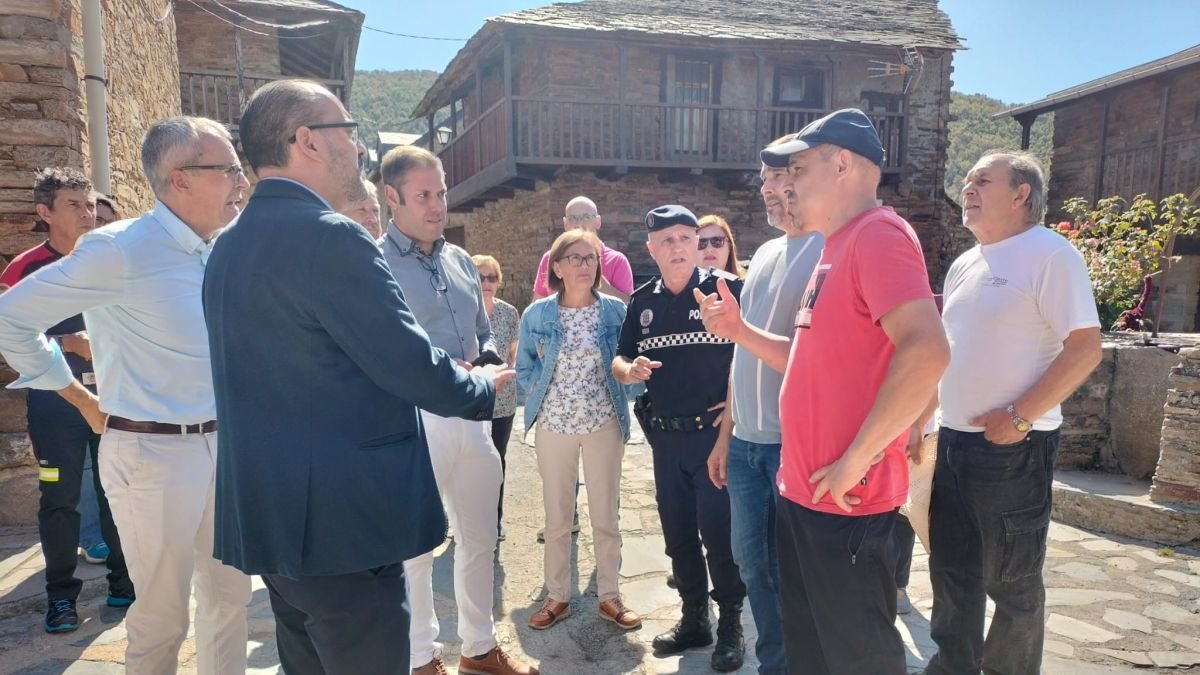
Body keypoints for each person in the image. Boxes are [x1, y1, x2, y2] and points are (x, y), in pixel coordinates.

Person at [204, 80, 512, 675]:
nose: (361, 151)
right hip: (343, 525)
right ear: (307, 142)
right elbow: (407, 363)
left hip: (274, 516)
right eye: (348, 133)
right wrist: (479, 389)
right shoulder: (332, 236)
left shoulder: (227, 246)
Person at [697, 109, 950, 673]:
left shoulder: (878, 235)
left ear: (842, 165)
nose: (788, 183)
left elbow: (928, 351)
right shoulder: (835, 245)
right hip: (806, 491)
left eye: (800, 168)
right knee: (813, 651)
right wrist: (738, 332)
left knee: (859, 656)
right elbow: (808, 363)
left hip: (847, 499)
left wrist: (856, 459)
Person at [0, 118, 254, 674]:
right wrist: (81, 400)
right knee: (163, 620)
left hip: (226, 451)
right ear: (181, 179)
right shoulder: (120, 249)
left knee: (229, 600)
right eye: (230, 169)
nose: (242, 181)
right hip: (152, 457)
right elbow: (10, 319)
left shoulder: (220, 249)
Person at [922, 151, 1102, 675]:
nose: (968, 187)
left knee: (1013, 583)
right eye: (968, 178)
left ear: (1022, 193)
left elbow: (1085, 348)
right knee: (952, 573)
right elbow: (952, 353)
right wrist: (924, 420)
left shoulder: (1050, 253)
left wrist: (1019, 418)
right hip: (953, 442)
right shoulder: (965, 262)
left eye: (983, 180)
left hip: (1012, 448)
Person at [378, 144, 538, 675]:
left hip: (473, 415)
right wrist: (461, 370)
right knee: (417, 549)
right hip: (413, 420)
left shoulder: (461, 260)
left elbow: (482, 331)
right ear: (392, 198)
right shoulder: (373, 264)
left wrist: (488, 362)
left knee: (479, 537)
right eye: (423, 195)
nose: (437, 204)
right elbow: (390, 348)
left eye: (440, 192)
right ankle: (420, 659)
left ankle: (478, 650)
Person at [697, 135, 825, 675]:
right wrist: (727, 434)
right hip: (747, 444)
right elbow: (741, 354)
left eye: (777, 178)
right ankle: (776, 661)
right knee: (753, 564)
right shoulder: (767, 253)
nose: (766, 190)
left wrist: (737, 330)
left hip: (791, 445)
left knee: (793, 570)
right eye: (764, 180)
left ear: (805, 178)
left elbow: (816, 359)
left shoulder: (830, 247)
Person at [612, 205, 747, 672]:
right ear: (650, 248)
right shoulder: (643, 302)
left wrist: (731, 418)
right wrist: (628, 370)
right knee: (679, 537)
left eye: (685, 238)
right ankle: (695, 620)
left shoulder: (726, 292)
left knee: (720, 536)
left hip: (713, 439)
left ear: (697, 242)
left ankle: (731, 623)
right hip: (665, 441)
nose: (677, 248)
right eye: (665, 240)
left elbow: (749, 358)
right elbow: (620, 357)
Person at [0, 168, 133, 634]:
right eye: (74, 205)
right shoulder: (23, 269)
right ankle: (61, 600)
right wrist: (69, 341)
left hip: (117, 397)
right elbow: (9, 332)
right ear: (45, 213)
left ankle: (124, 584)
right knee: (59, 500)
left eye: (90, 203)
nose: (88, 213)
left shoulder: (113, 260)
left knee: (117, 492)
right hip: (55, 404)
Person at [517, 229, 641, 632]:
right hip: (554, 427)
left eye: (590, 258)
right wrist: (542, 394)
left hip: (603, 423)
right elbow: (524, 369)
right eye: (574, 258)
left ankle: (610, 595)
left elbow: (627, 362)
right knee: (557, 518)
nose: (584, 265)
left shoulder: (613, 313)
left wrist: (634, 379)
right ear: (557, 266)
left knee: (605, 515)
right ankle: (558, 597)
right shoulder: (536, 315)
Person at [77, 191, 120, 563]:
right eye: (93, 217)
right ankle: (92, 537)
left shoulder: (125, 269)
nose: (95, 224)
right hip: (72, 390)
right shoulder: (59, 269)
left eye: (104, 220)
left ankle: (118, 544)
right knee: (84, 471)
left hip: (117, 389)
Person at [473, 254, 519, 540]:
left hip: (503, 401)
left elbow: (513, 355)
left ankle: (495, 520)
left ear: (499, 282)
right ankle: (466, 520)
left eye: (491, 277)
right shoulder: (462, 311)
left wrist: (508, 375)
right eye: (480, 277)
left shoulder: (509, 313)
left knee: (496, 460)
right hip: (471, 399)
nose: (486, 283)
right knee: (469, 459)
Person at [533, 196, 634, 303]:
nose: (579, 224)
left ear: (598, 222)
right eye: (573, 218)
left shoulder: (617, 261)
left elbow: (629, 308)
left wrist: (599, 283)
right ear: (565, 224)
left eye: (586, 217)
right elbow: (537, 306)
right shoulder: (551, 259)